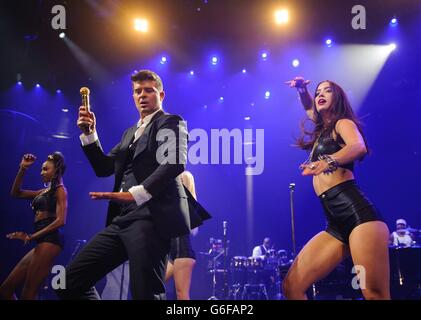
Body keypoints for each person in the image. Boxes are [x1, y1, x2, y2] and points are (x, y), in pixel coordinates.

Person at [55, 69, 191, 300]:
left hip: (151, 218)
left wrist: (135, 194)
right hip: (121, 221)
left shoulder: (170, 121)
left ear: (161, 95)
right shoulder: (129, 134)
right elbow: (104, 168)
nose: (142, 95)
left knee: (145, 294)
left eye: (149, 90)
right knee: (68, 283)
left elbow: (174, 163)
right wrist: (90, 135)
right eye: (138, 91)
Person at [282, 77, 390, 300]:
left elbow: (358, 147)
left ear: (338, 98)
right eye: (318, 91)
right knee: (292, 287)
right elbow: (310, 108)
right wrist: (303, 90)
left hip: (359, 216)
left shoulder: (343, 123)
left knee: (374, 294)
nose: (320, 94)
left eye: (327, 91)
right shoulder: (324, 130)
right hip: (335, 224)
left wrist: (327, 161)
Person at [0, 152, 67, 300]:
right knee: (6, 289)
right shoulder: (43, 191)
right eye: (42, 169)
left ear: (56, 170)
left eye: (45, 169)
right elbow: (16, 193)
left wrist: (31, 237)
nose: (41, 172)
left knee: (28, 292)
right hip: (42, 240)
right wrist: (23, 168)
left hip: (51, 240)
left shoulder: (60, 190)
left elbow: (61, 220)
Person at [165, 170, 198, 300]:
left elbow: (192, 229)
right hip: (172, 255)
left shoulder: (188, 206)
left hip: (183, 253)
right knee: (152, 287)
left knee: (182, 295)